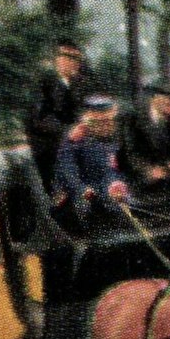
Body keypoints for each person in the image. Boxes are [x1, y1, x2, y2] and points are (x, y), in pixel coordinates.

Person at [51, 96, 130, 236]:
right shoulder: (74, 140)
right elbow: (67, 170)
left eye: (108, 121)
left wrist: (115, 184)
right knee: (84, 208)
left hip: (106, 188)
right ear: (90, 121)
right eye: (100, 122)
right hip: (78, 190)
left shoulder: (116, 138)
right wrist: (81, 188)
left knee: (126, 203)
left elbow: (116, 168)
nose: (105, 126)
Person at [117, 84, 170, 215]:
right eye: (165, 99)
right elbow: (130, 153)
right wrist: (149, 170)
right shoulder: (132, 120)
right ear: (154, 99)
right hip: (141, 175)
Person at [24, 42, 95, 174]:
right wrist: (68, 132)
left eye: (77, 58)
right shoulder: (43, 84)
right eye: (68, 56)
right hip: (51, 150)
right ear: (57, 59)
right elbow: (40, 118)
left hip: (81, 149)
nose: (74, 62)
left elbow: (87, 108)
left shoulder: (82, 85)